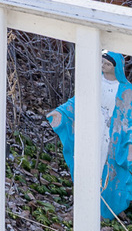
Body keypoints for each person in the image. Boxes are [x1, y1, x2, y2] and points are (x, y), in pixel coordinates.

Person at [46, 51, 132, 219]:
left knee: (105, 167)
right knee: (86, 164)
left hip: (111, 136)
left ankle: (104, 207)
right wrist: (62, 113)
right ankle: (83, 203)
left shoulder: (126, 89)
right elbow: (78, 101)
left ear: (116, 67)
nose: (103, 66)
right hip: (91, 129)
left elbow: (128, 116)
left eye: (107, 64)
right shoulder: (94, 81)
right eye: (101, 62)